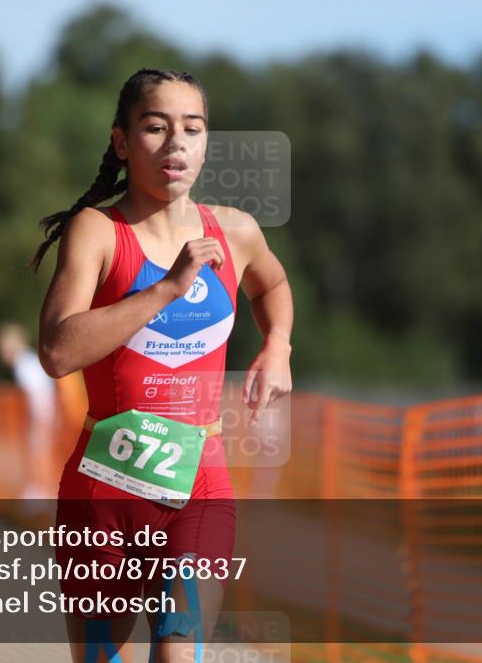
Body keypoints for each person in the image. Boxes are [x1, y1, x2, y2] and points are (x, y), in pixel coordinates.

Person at [32, 68, 294, 663]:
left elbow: (272, 284)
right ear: (123, 142)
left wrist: (278, 346)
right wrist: (164, 290)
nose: (177, 143)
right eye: (155, 127)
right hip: (103, 490)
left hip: (199, 483)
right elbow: (56, 351)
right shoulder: (97, 232)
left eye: (192, 129)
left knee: (179, 652)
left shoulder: (235, 232)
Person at [0, 322, 57, 503]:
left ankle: (38, 493)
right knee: (38, 451)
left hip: (39, 413)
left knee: (37, 451)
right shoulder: (26, 361)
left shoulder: (22, 363)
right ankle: (37, 491)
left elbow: (34, 394)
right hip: (42, 412)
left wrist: (36, 420)